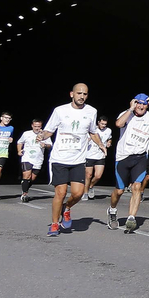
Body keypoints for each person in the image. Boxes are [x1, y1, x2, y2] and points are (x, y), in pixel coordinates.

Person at [107, 95, 149, 233]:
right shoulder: (127, 114)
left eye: (144, 104)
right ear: (134, 103)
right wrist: (130, 109)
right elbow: (118, 124)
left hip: (141, 157)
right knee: (119, 191)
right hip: (123, 157)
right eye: (138, 104)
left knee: (137, 186)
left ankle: (131, 218)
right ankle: (112, 210)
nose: (141, 107)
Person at [43, 84, 99, 237]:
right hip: (59, 158)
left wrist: (100, 145)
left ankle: (66, 209)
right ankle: (55, 224)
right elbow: (49, 130)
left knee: (78, 193)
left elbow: (93, 132)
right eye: (79, 93)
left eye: (85, 94)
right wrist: (42, 136)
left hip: (78, 159)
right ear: (71, 94)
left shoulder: (91, 111)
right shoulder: (60, 110)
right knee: (60, 193)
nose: (82, 96)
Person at [17, 119, 47, 202]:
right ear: (32, 126)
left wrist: (45, 145)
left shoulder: (45, 134)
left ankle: (24, 187)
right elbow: (20, 142)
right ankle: (24, 194)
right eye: (35, 126)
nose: (37, 128)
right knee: (26, 176)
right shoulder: (26, 134)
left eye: (39, 126)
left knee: (32, 178)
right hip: (27, 157)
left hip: (38, 159)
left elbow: (50, 145)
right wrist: (19, 150)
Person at [84, 117, 112, 199]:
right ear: (98, 122)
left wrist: (109, 143)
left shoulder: (108, 130)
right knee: (88, 175)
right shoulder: (92, 130)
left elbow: (110, 139)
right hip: (89, 154)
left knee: (98, 176)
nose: (103, 126)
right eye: (102, 124)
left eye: (105, 124)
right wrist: (89, 138)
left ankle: (91, 186)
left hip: (100, 155)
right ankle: (85, 193)